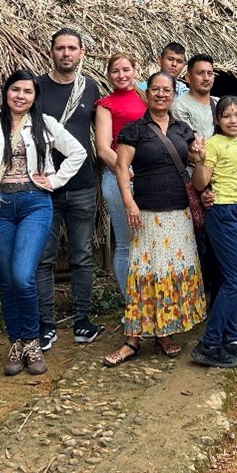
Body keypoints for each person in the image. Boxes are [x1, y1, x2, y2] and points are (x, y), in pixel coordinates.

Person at [0, 70, 88, 376]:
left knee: (22, 276)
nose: (21, 96)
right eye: (15, 90)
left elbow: (78, 151)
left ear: (35, 96)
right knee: (7, 280)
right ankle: (16, 343)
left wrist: (55, 180)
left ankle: (32, 341)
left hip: (35, 204)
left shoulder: (45, 124)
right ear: (6, 92)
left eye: (27, 92)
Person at [103, 73, 208, 366]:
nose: (161, 95)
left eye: (167, 90)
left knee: (171, 274)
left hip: (179, 215)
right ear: (146, 94)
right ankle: (132, 340)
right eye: (156, 90)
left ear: (174, 95)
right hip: (147, 213)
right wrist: (129, 203)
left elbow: (197, 175)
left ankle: (164, 332)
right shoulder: (135, 130)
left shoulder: (183, 130)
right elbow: (122, 168)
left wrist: (199, 159)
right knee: (144, 274)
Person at [35, 28, 105, 348]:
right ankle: (46, 325)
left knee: (82, 257)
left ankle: (82, 322)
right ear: (51, 52)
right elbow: (14, 122)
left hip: (82, 186)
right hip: (44, 185)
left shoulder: (89, 88)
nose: (66, 53)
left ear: (82, 52)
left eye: (72, 48)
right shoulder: (36, 86)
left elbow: (105, 129)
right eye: (60, 48)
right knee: (45, 258)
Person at [192, 96, 237, 370]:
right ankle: (208, 343)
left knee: (231, 278)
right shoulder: (214, 144)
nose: (233, 120)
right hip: (223, 211)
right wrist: (200, 160)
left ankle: (230, 341)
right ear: (217, 120)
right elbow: (200, 182)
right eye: (226, 115)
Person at [93, 52, 147, 305]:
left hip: (149, 177)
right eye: (115, 71)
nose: (121, 75)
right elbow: (103, 148)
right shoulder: (105, 105)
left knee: (148, 242)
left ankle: (148, 300)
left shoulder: (148, 97)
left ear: (135, 70)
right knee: (126, 243)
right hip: (118, 177)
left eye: (126, 69)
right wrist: (123, 169)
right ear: (109, 75)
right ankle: (131, 304)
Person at [171, 53, 222, 301]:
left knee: (218, 240)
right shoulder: (180, 106)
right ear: (188, 77)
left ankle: (219, 291)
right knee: (200, 240)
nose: (206, 78)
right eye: (200, 73)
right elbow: (188, 149)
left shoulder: (218, 103)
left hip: (221, 180)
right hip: (196, 180)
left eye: (210, 73)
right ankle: (201, 294)